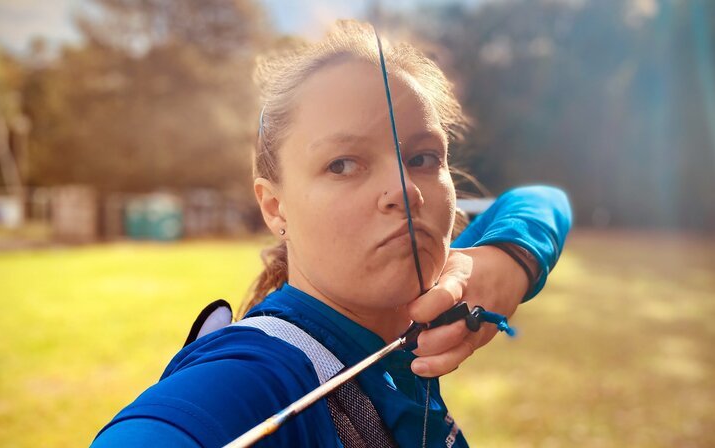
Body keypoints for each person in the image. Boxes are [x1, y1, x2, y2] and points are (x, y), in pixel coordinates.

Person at [92, 20, 571, 448]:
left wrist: (508, 261)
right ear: (274, 206)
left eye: (423, 158)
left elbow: (544, 200)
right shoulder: (258, 371)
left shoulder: (440, 289)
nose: (404, 190)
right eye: (343, 165)